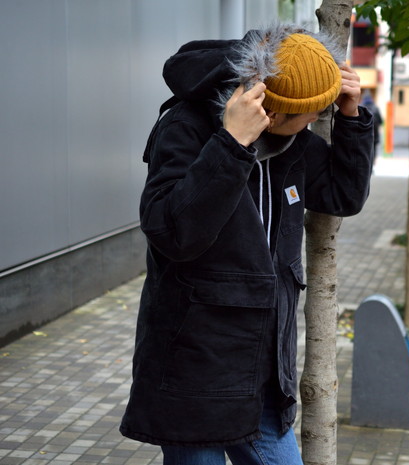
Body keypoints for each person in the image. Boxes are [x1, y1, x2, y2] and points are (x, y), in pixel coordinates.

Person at [119, 24, 374, 465]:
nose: (315, 119)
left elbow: (341, 195)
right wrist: (232, 144)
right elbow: (171, 232)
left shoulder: (290, 141)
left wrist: (352, 119)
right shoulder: (186, 127)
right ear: (270, 112)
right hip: (194, 362)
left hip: (263, 368)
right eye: (310, 112)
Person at [360, 91, 383, 164]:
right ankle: (372, 164)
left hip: (363, 135)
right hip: (374, 134)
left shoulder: (360, 107)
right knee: (373, 150)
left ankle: (365, 164)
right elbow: (380, 121)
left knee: (363, 149)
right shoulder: (376, 108)